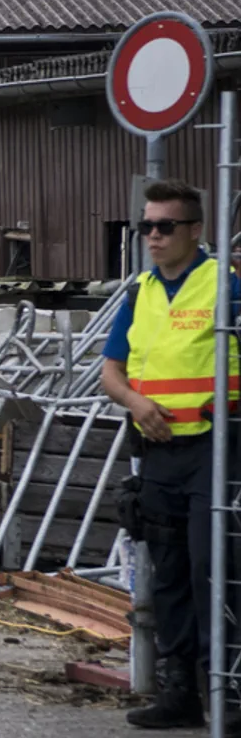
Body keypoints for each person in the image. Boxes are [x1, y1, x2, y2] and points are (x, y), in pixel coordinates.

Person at [101, 179, 241, 729]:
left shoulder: (226, 285)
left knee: (217, 570)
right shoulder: (141, 292)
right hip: (159, 452)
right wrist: (137, 403)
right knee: (170, 575)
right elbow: (111, 371)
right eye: (146, 227)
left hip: (218, 449)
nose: (153, 238)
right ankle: (179, 693)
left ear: (196, 231)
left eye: (165, 227)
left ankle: (225, 694)